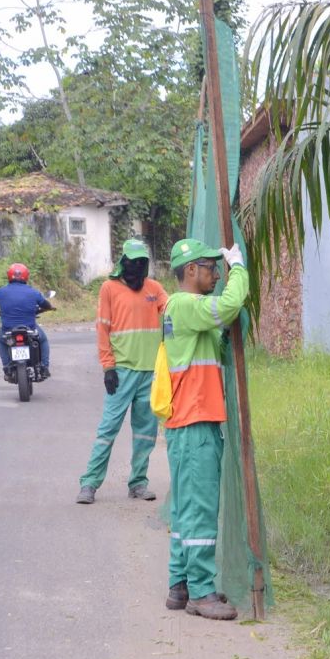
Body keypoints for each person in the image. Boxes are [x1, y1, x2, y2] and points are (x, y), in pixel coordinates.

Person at [162, 238, 250, 621]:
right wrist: (239, 269)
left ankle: (179, 585)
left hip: (189, 423)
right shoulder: (184, 304)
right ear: (191, 270)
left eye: (220, 268)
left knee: (185, 509)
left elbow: (219, 343)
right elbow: (229, 306)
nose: (216, 274)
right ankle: (200, 592)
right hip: (195, 423)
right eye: (211, 268)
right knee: (199, 509)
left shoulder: (185, 312)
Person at [76, 239, 169, 505]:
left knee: (145, 433)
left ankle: (138, 483)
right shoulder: (109, 288)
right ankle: (89, 483)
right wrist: (108, 367)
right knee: (108, 428)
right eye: (132, 262)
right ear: (123, 263)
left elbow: (172, 309)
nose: (136, 267)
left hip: (150, 373)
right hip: (122, 372)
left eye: (142, 263)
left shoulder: (154, 288)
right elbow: (102, 328)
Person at [0, 263, 53, 379]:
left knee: (1, 341)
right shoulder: (33, 292)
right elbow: (45, 304)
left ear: (9, 276)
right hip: (29, 328)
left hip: (8, 329)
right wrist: (49, 307)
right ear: (26, 276)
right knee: (43, 341)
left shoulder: (1, 291)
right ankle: (44, 367)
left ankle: (7, 367)